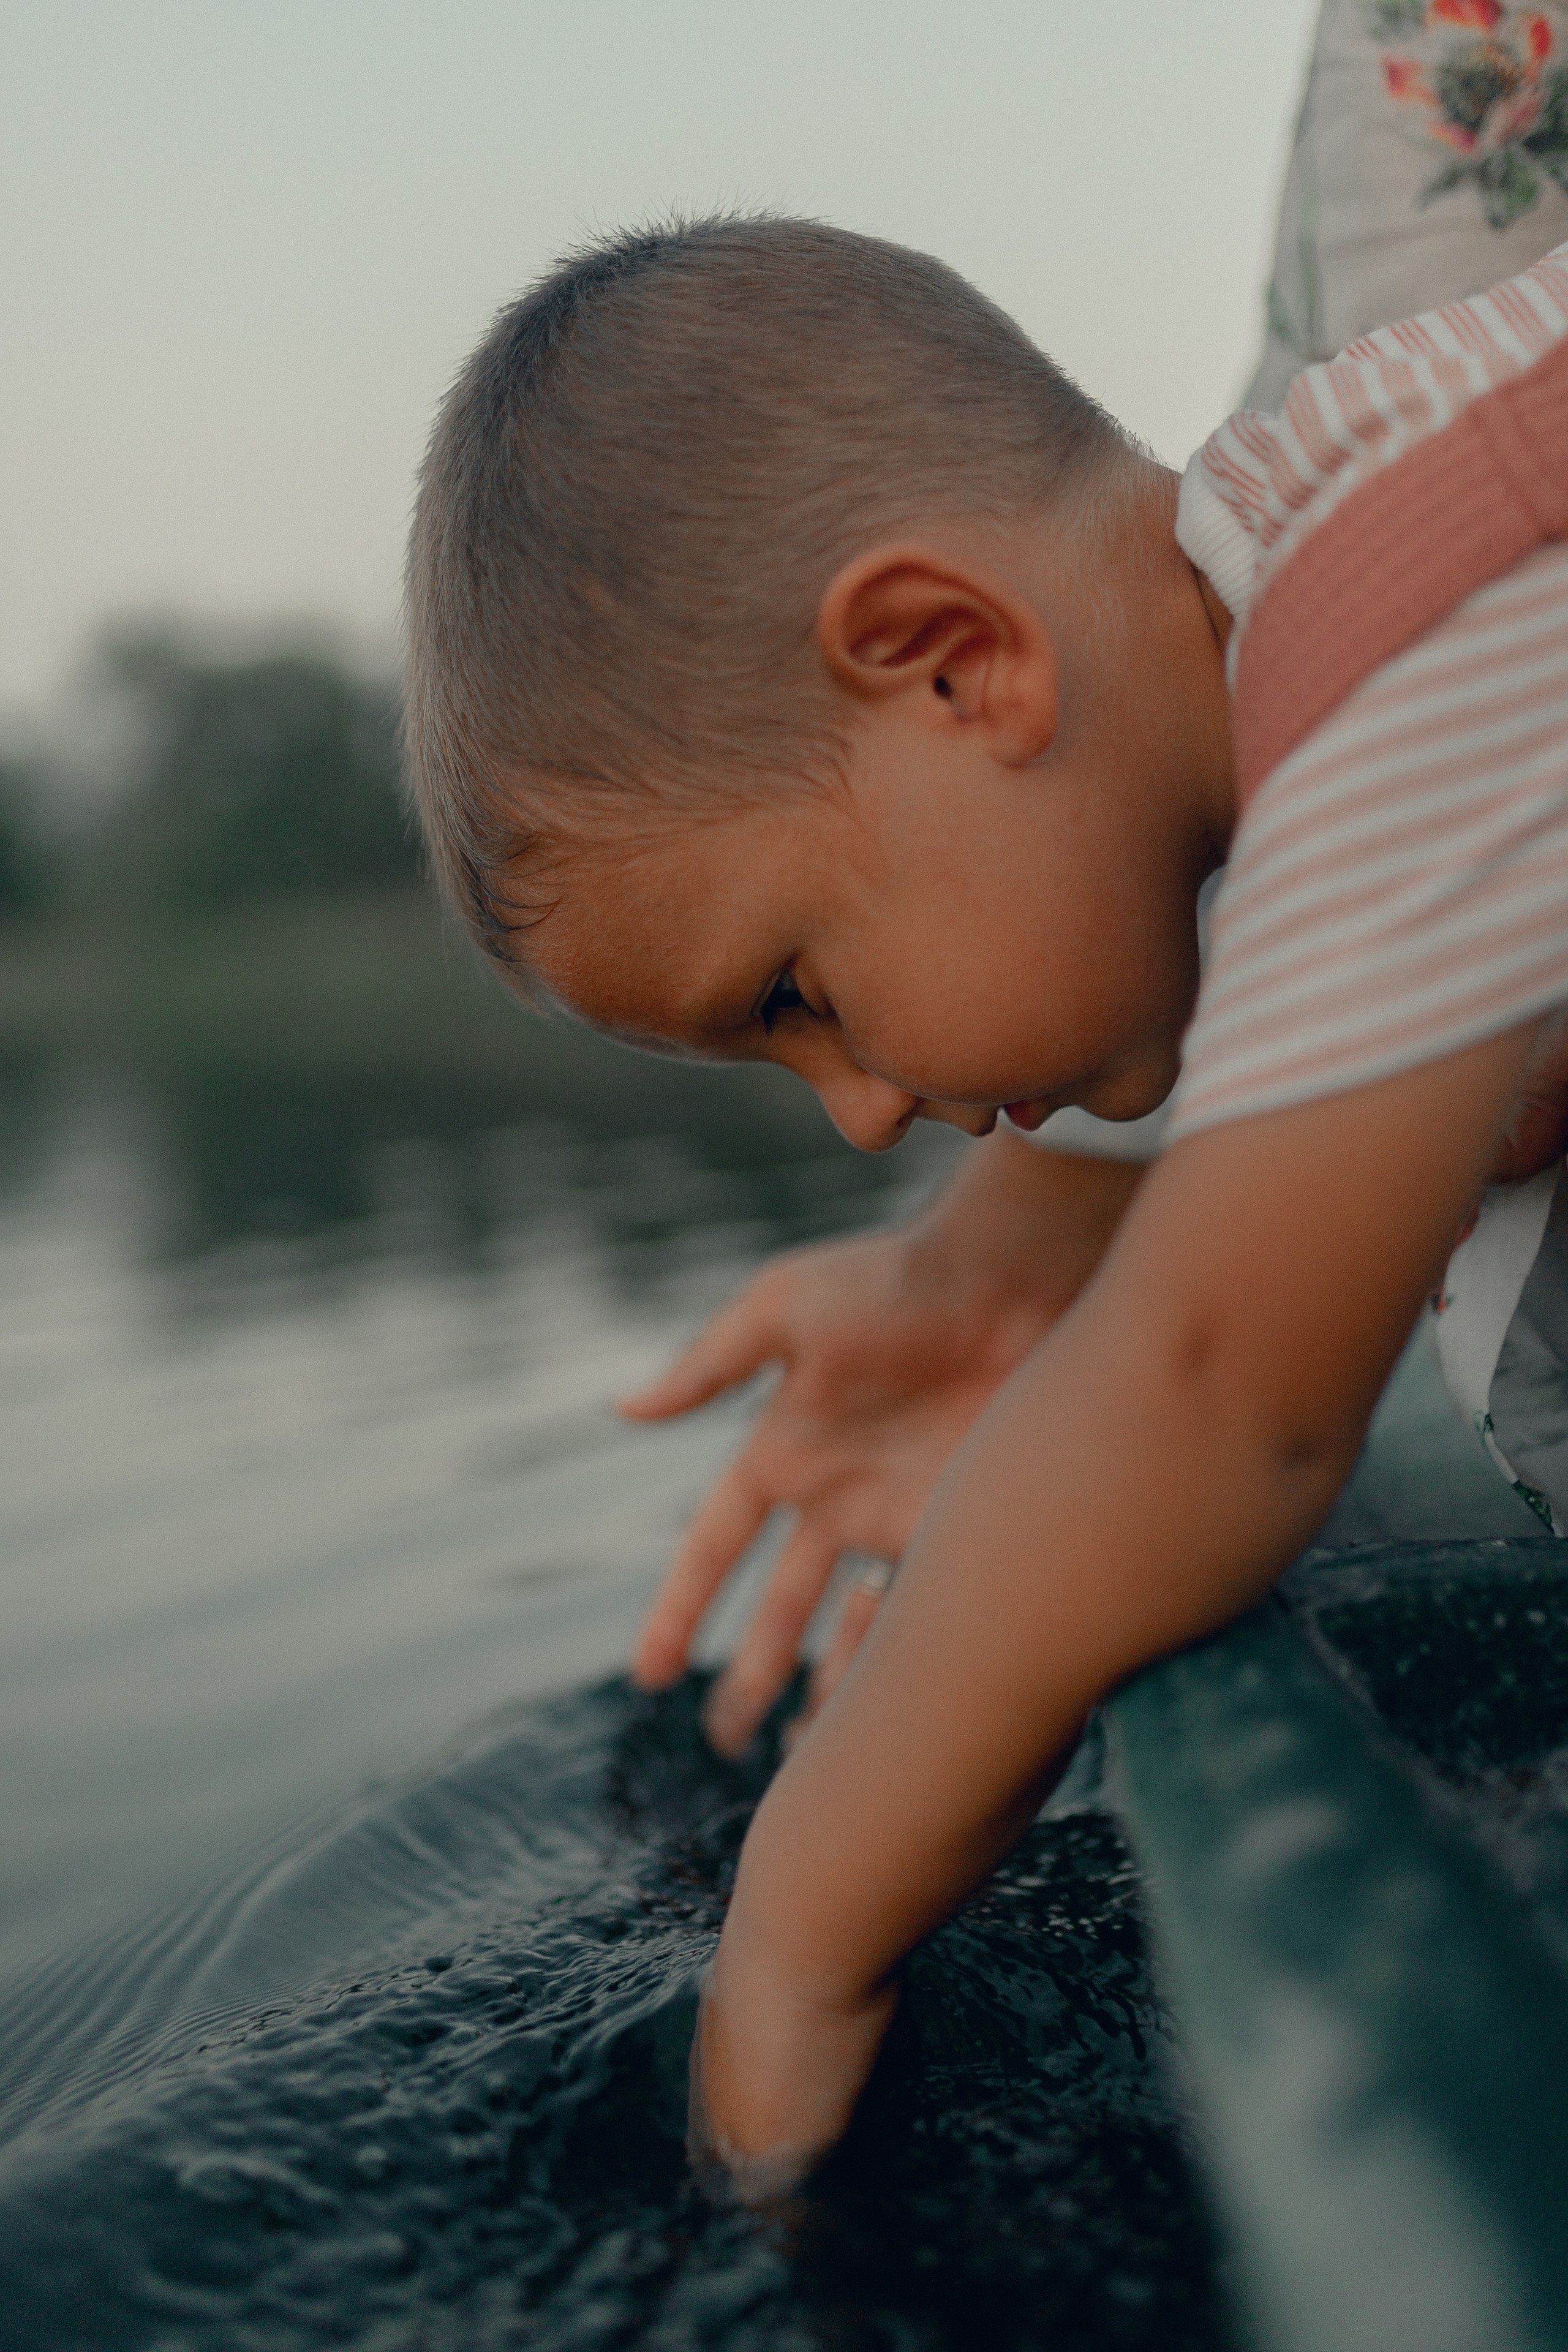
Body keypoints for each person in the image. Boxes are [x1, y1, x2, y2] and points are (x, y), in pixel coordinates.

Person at [403, 177, 1568, 2180]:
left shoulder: (1435, 604)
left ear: (953, 662)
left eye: (799, 991)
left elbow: (1210, 1400)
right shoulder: (1350, 612)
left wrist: (797, 1938)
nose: (861, 1119)